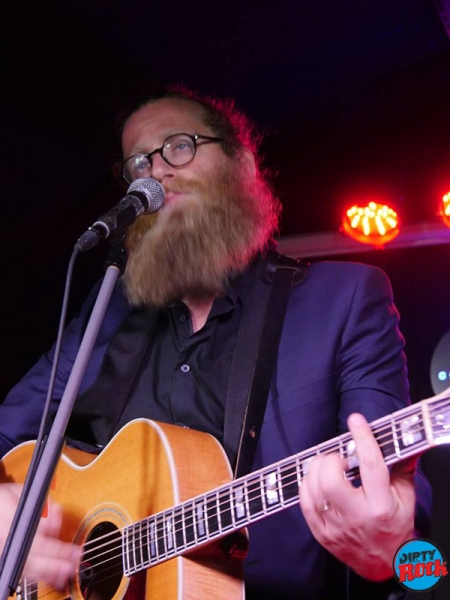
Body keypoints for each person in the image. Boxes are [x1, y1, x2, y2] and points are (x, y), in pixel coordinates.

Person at [0, 87, 430, 599]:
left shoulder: (345, 299)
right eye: (139, 163)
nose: (156, 171)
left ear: (242, 166)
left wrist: (395, 556)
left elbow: (422, 555)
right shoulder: (109, 309)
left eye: (179, 146)